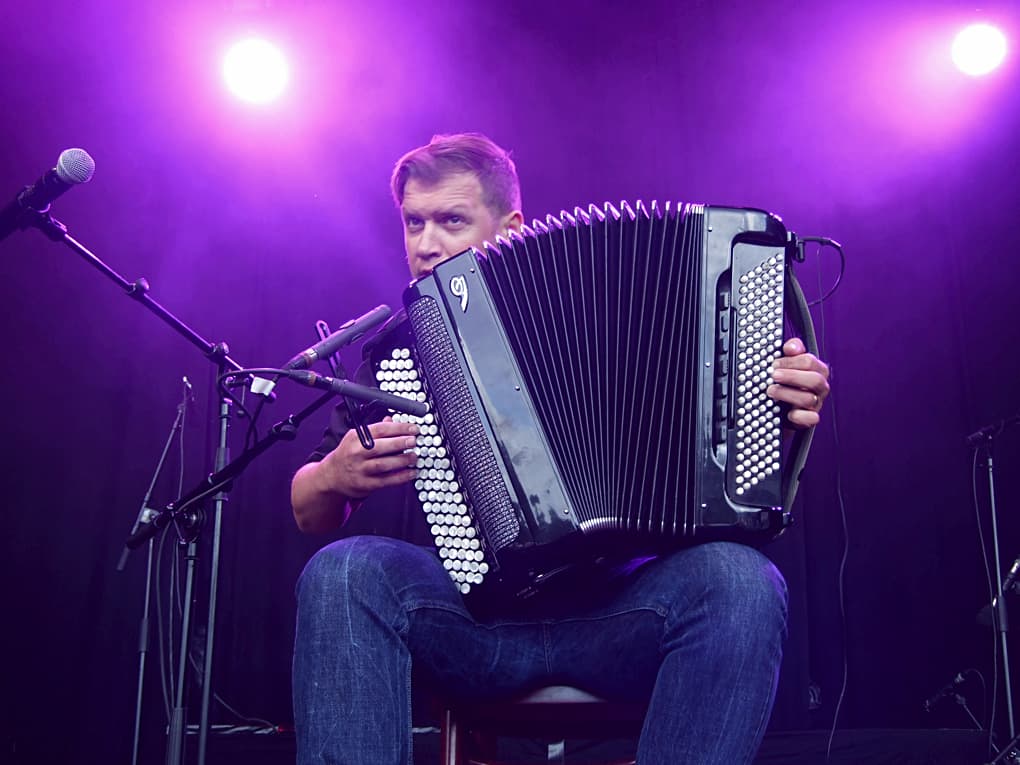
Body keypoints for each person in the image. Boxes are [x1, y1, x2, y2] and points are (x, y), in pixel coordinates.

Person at [290, 133, 831, 764]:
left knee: (742, 582)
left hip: (623, 617)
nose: (427, 243)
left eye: (452, 220)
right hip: (476, 625)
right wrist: (334, 475)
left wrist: (774, 404)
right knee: (343, 571)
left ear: (509, 225)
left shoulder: (623, 310)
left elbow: (735, 461)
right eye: (415, 223)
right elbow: (307, 509)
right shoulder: (403, 346)